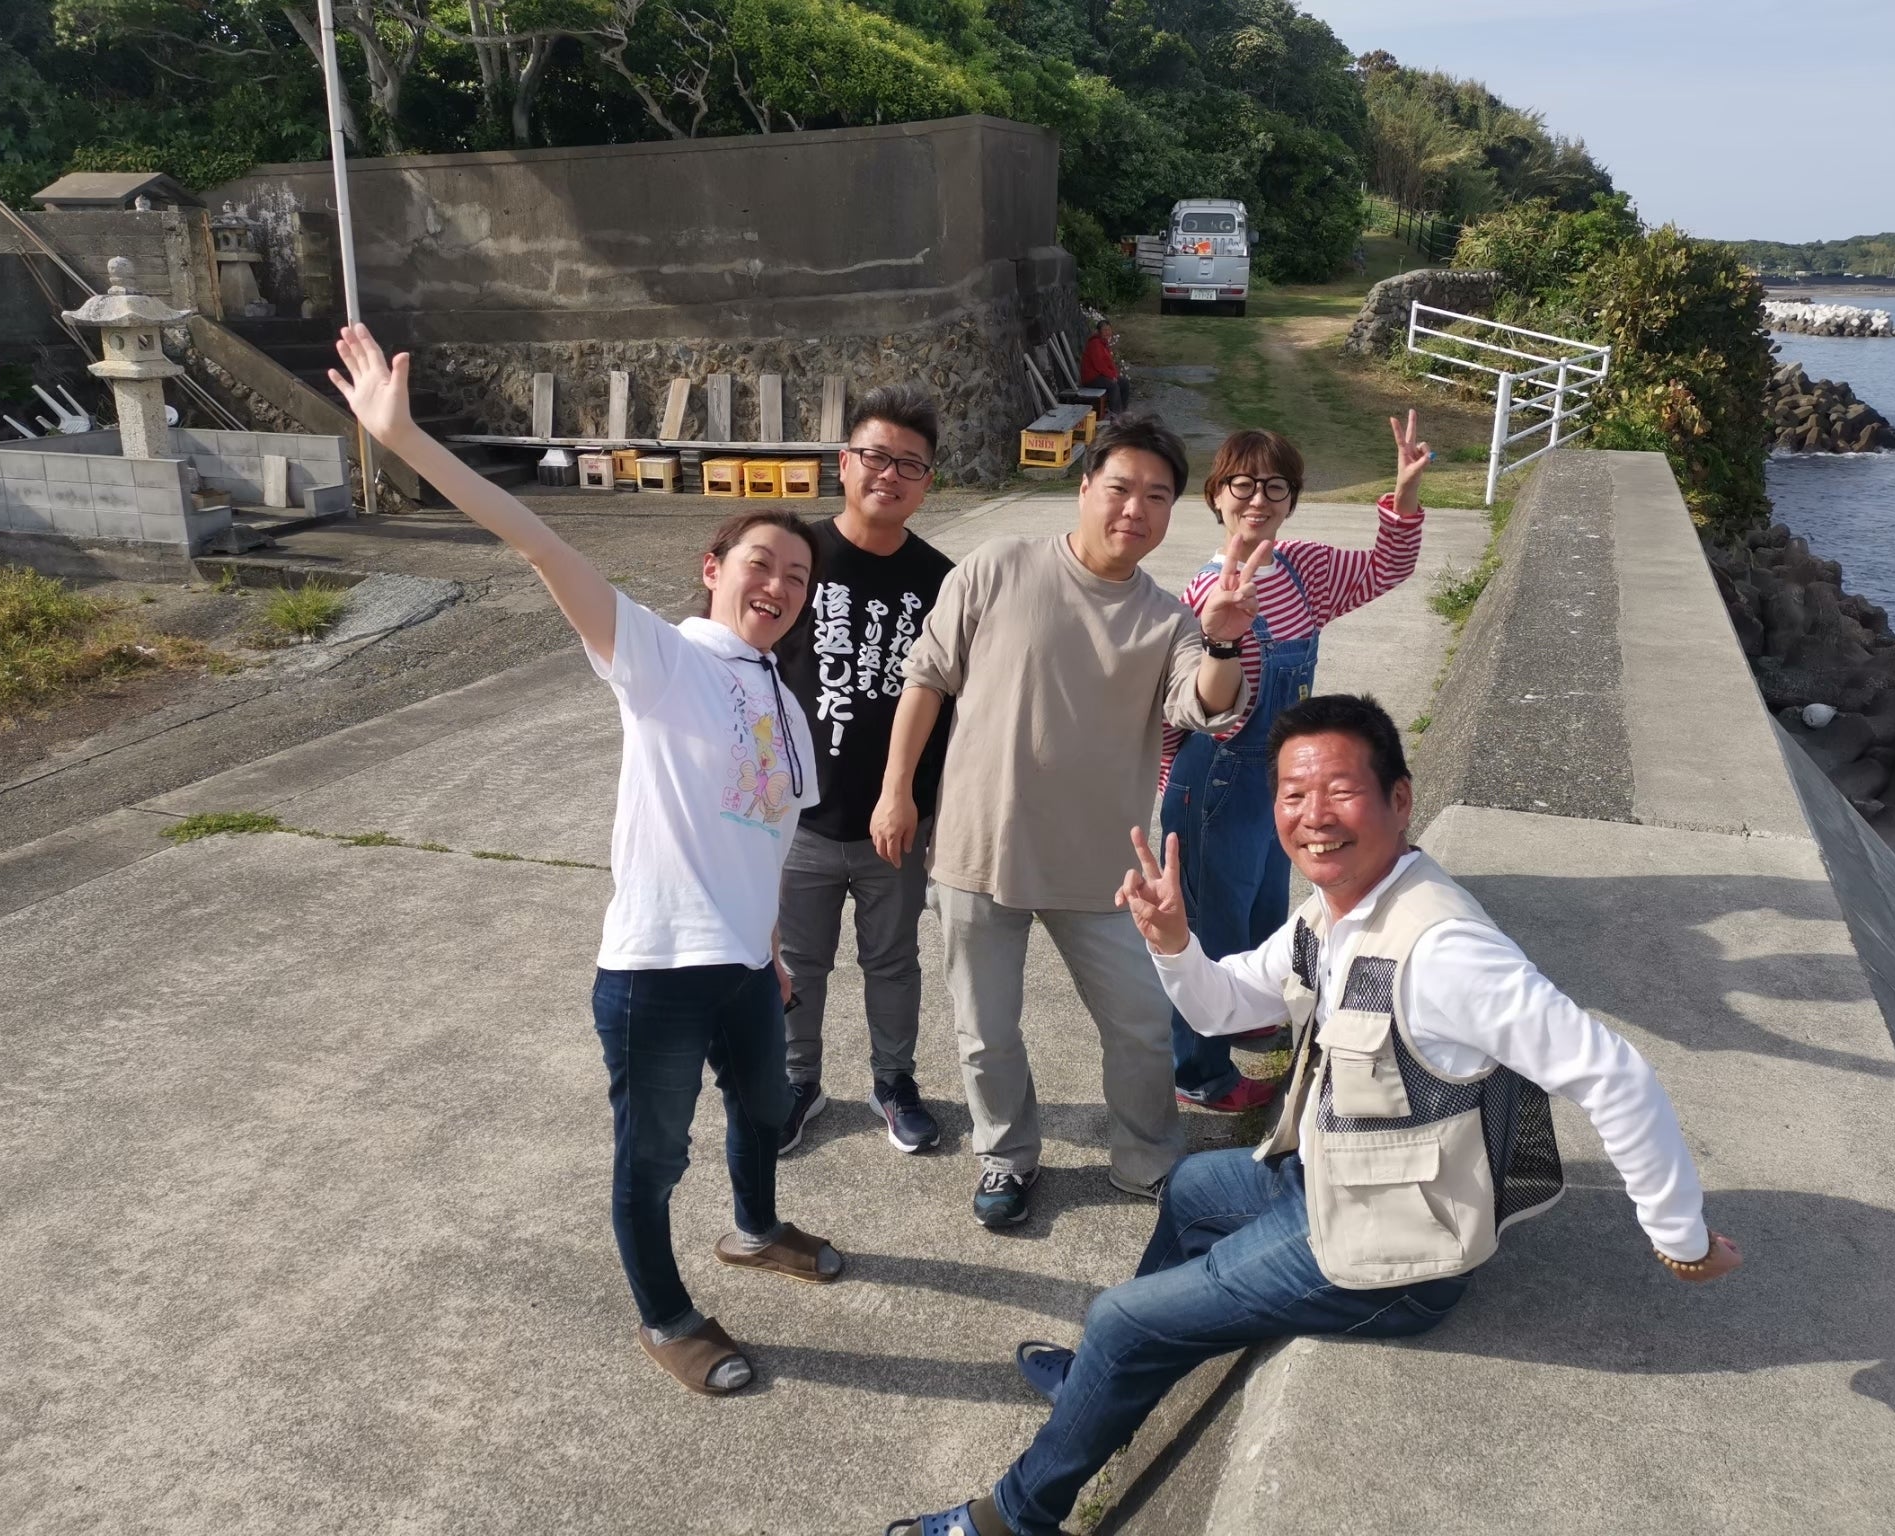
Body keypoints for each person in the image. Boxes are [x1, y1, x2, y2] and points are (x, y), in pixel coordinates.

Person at [889, 694, 1743, 1536]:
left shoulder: (1446, 951)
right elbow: (1226, 1006)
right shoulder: (1335, 911)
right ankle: (1100, 1387)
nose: (1314, 816)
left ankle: (1009, 1521)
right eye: (1294, 794)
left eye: (1340, 790)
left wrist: (1682, 1238)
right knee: (1192, 1188)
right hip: (1330, 1183)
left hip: (1391, 1258)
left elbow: (1615, 1075)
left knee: (1122, 1319)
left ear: (1400, 800)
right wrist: (1173, 942)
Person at [327, 325, 841, 1399]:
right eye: (760, 563)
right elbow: (539, 543)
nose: (780, 584)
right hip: (656, 969)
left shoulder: (784, 704)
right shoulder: (661, 658)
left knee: (763, 1111)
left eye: (797, 576)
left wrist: (776, 950)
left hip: (750, 965)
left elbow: (769, 840)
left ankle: (753, 1232)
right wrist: (404, 439)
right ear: (712, 571)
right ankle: (666, 1317)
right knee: (653, 1157)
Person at [870, 414, 1264, 1228]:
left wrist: (1225, 644)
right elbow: (927, 677)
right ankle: (1007, 1156)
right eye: (1120, 488)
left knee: (1141, 1026)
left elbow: (1207, 707)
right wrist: (896, 789)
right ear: (1084, 489)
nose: (1135, 509)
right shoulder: (998, 566)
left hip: (1103, 868)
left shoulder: (1169, 620)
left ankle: (1149, 1160)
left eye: (1157, 497)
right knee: (986, 1032)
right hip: (980, 848)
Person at [1157, 418, 1428, 1114]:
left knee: (1263, 906)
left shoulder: (1305, 569)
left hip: (1277, 779)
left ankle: (1248, 1013)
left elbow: (1387, 568)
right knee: (1209, 927)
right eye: (1242, 485)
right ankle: (1198, 1072)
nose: (1258, 499)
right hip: (1214, 780)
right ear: (1216, 495)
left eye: (1275, 486)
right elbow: (1173, 708)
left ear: (1292, 499)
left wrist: (1403, 493)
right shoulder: (1198, 595)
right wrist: (1169, 792)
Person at [772, 385, 954, 1156]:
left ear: (927, 483)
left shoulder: (944, 580)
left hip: (897, 822)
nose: (890, 475)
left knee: (893, 960)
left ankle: (894, 1082)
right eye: (876, 457)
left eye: (910, 464)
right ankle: (796, 1083)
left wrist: (926, 806)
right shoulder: (796, 559)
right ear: (844, 463)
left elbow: (957, 703)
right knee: (797, 963)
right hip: (797, 820)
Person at [1079, 319, 1129, 417]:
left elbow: (1110, 363)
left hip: (1100, 375)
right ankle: (1115, 415)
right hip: (1091, 378)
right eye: (1105, 330)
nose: (1107, 332)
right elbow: (1100, 365)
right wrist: (1111, 377)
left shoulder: (1104, 344)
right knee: (1113, 385)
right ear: (1099, 332)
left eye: (1109, 330)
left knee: (1124, 382)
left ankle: (1123, 411)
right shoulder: (1095, 344)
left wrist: (1114, 375)